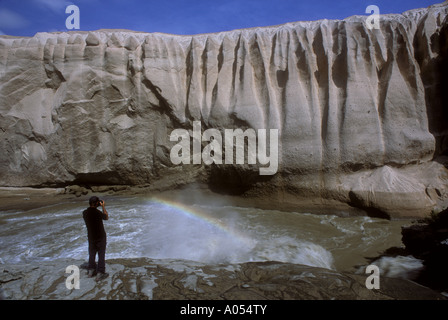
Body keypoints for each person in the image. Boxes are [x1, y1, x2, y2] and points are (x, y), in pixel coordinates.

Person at [82, 196, 109, 281]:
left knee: (92, 253)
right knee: (101, 254)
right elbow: (106, 217)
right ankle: (100, 273)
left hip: (91, 236)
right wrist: (103, 206)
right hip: (100, 236)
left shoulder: (85, 213)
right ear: (97, 203)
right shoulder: (97, 212)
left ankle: (91, 270)